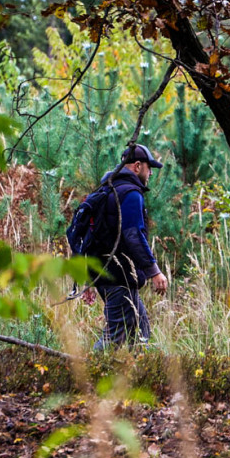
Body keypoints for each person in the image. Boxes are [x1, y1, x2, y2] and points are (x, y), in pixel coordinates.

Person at [81, 143, 169, 350]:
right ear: (137, 166)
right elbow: (133, 235)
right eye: (149, 168)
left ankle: (137, 376)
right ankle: (85, 376)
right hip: (118, 277)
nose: (151, 174)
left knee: (140, 332)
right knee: (114, 339)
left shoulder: (106, 190)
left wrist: (88, 277)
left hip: (106, 274)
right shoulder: (130, 194)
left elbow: (90, 237)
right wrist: (154, 271)